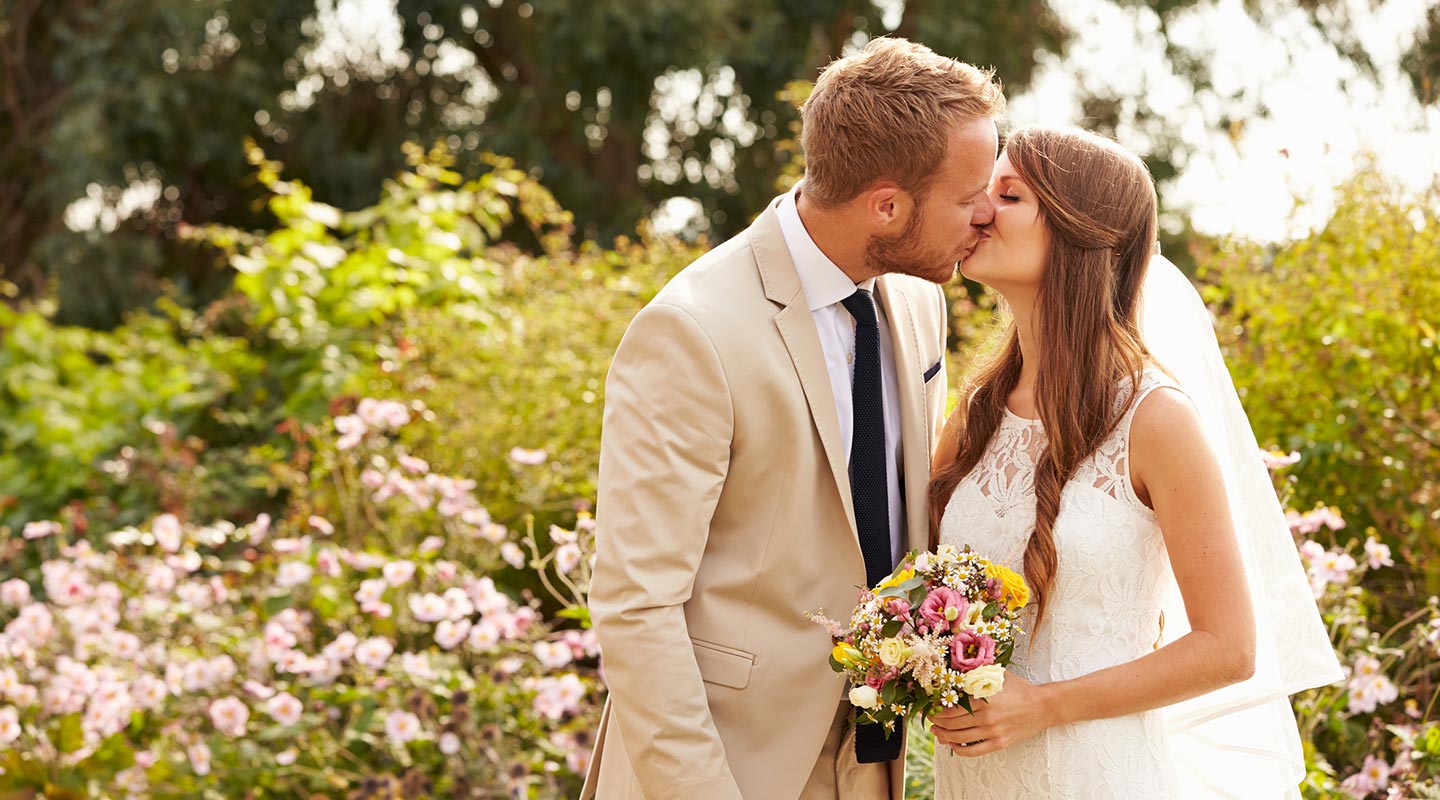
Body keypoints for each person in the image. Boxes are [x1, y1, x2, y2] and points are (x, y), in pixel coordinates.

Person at [581, 38, 1004, 800]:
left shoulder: (917, 301)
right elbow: (635, 604)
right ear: (887, 204)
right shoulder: (692, 330)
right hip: (729, 766)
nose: (985, 215)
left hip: (871, 762)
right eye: (969, 194)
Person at [926, 126, 1340, 798]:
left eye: (1008, 195)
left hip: (1097, 773)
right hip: (973, 779)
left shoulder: (1156, 420)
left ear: (1074, 231)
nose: (980, 210)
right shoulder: (976, 413)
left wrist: (1044, 705)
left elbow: (1228, 648)